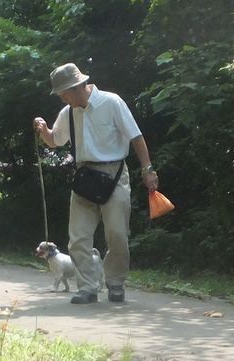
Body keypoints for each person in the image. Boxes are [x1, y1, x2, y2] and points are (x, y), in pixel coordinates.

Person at [34, 63, 158, 304]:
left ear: (78, 86)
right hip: (84, 178)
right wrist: (42, 129)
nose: (61, 97)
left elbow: (136, 136)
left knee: (117, 235)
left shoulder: (111, 102)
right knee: (78, 238)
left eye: (63, 92)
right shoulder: (68, 112)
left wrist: (148, 169)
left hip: (114, 175)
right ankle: (88, 287)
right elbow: (54, 140)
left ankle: (115, 282)